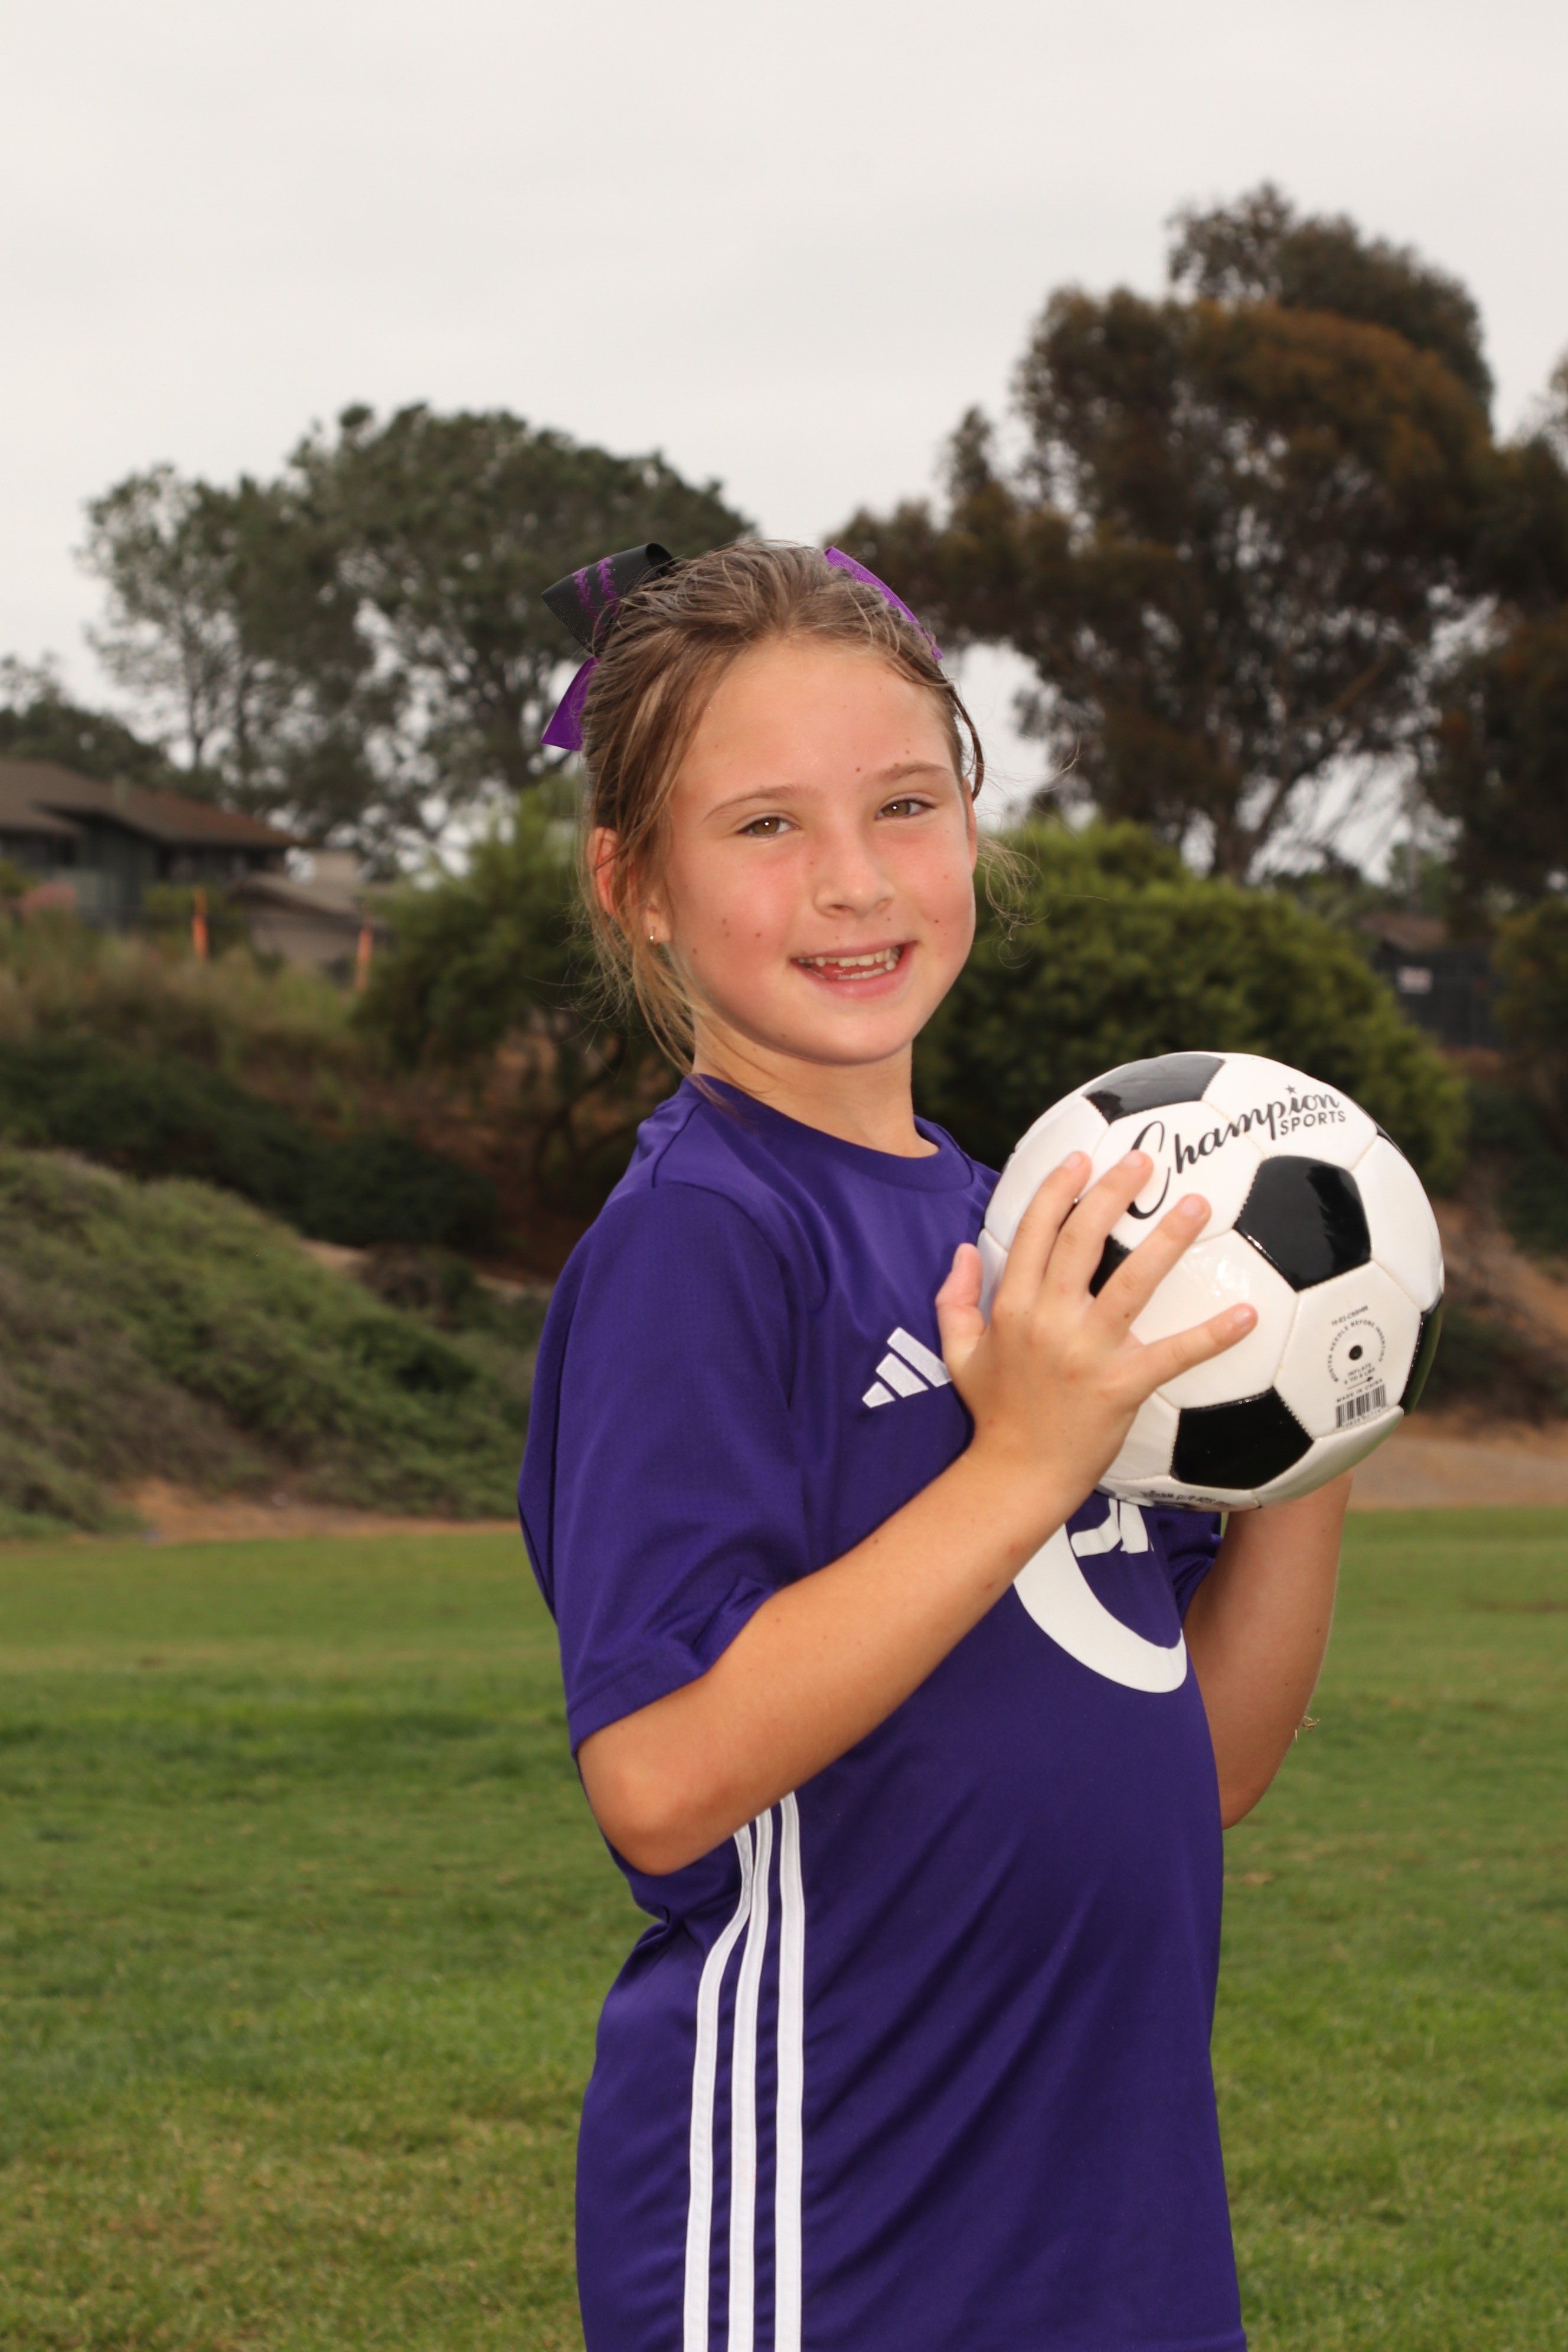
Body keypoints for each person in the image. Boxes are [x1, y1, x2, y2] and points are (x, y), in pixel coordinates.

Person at [518, 541, 1348, 2352]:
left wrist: (1314, 1415)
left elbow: (1202, 1756)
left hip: (1112, 2220)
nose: (853, 879)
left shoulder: (1025, 1223)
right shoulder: (704, 1241)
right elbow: (657, 1775)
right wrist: (1024, 1464)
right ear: (635, 885)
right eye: (765, 826)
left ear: (971, 821)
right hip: (833, 2220)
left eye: (904, 803)